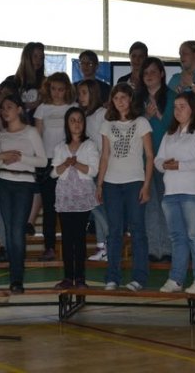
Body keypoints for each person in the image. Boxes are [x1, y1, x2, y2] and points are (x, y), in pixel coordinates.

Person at [156, 92, 195, 294]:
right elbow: (158, 160)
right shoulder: (170, 134)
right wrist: (164, 164)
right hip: (171, 192)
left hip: (194, 192)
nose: (178, 110)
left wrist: (180, 165)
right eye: (175, 107)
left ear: (192, 108)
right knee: (177, 237)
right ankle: (176, 279)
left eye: (182, 106)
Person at [97, 83, 153, 292]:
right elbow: (105, 156)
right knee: (114, 231)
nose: (120, 101)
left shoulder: (141, 122)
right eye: (116, 98)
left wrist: (146, 185)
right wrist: (100, 184)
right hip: (111, 183)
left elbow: (150, 156)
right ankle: (112, 277)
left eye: (123, 97)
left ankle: (139, 278)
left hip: (134, 181)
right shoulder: (107, 124)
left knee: (137, 230)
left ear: (130, 99)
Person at [0, 93, 47, 294]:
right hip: (5, 184)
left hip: (24, 184)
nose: (5, 111)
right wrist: (2, 155)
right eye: (3, 108)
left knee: (17, 230)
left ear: (19, 109)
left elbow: (43, 161)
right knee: (8, 229)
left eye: (9, 107)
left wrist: (20, 158)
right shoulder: (1, 135)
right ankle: (14, 276)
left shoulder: (31, 132)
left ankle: (17, 278)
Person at [52, 107, 99, 289]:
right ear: (67, 124)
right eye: (72, 120)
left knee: (79, 238)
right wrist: (65, 164)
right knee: (66, 238)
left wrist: (76, 163)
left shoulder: (90, 145)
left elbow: (93, 170)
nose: (77, 123)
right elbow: (53, 173)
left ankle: (79, 278)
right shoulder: (60, 147)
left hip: (82, 196)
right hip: (65, 196)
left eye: (80, 120)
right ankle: (67, 277)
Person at [34, 72, 77, 261]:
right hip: (48, 162)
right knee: (49, 207)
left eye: (61, 89)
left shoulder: (73, 108)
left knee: (68, 206)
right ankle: (49, 247)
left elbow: (77, 134)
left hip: (68, 161)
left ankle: (71, 245)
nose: (57, 93)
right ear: (48, 89)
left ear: (66, 90)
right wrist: (39, 160)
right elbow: (37, 135)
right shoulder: (42, 109)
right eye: (53, 89)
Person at [136, 57, 175, 262]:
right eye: (145, 73)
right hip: (143, 160)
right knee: (149, 205)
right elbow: (132, 126)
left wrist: (158, 115)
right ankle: (153, 249)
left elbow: (177, 126)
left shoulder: (172, 96)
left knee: (166, 205)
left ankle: (168, 249)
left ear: (161, 74)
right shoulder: (137, 98)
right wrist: (145, 116)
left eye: (153, 71)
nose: (149, 76)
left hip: (167, 159)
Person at [7, 42, 46, 236]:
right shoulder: (13, 82)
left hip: (38, 136)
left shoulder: (45, 83)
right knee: (15, 177)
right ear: (26, 58)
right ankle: (13, 219)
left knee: (37, 180)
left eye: (41, 57)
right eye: (35, 56)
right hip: (16, 136)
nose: (38, 60)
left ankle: (29, 221)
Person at [77, 79, 109, 261]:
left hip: (101, 168)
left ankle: (110, 242)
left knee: (96, 206)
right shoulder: (85, 116)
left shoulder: (102, 114)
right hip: (90, 168)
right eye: (79, 93)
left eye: (84, 93)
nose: (80, 97)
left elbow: (105, 145)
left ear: (93, 94)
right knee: (96, 208)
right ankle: (101, 246)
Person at [0, 79, 19, 263]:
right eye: (1, 94)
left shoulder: (20, 118)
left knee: (17, 210)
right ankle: (4, 246)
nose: (4, 98)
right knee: (1, 209)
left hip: (18, 168)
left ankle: (15, 245)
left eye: (8, 95)